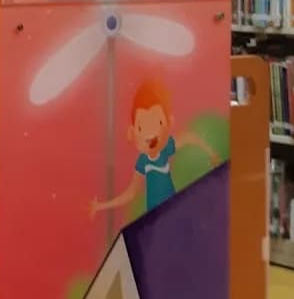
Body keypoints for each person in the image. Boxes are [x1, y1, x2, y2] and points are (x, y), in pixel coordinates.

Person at [92, 79, 219, 217]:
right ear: (132, 133)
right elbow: (131, 192)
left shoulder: (165, 149)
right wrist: (101, 206)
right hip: (154, 215)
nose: (151, 134)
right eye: (141, 128)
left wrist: (211, 153)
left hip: (171, 208)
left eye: (158, 123)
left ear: (169, 123)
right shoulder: (143, 161)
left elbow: (189, 137)